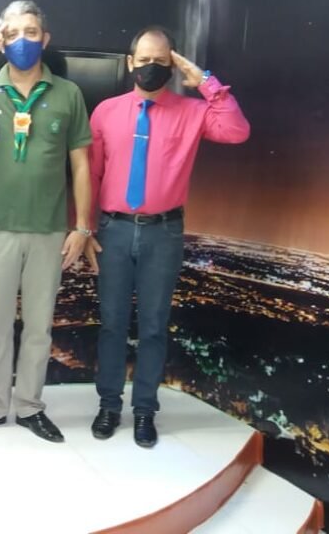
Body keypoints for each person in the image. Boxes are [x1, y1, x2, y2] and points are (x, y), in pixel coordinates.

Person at [85, 26, 250, 447]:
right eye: (144, 60)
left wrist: (205, 81)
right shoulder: (105, 111)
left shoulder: (193, 111)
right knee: (112, 324)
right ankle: (109, 406)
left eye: (161, 61)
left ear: (173, 65)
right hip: (114, 229)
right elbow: (93, 173)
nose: (151, 67)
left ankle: (145, 411)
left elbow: (236, 131)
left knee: (155, 326)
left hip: (164, 232)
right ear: (130, 63)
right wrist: (84, 227)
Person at [0, 0, 93, 443]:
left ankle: (29, 407)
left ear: (45, 39)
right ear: (1, 40)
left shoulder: (68, 93)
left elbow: (81, 165)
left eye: (30, 32)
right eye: (12, 34)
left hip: (48, 229)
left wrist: (82, 227)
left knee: (39, 328)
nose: (22, 41)